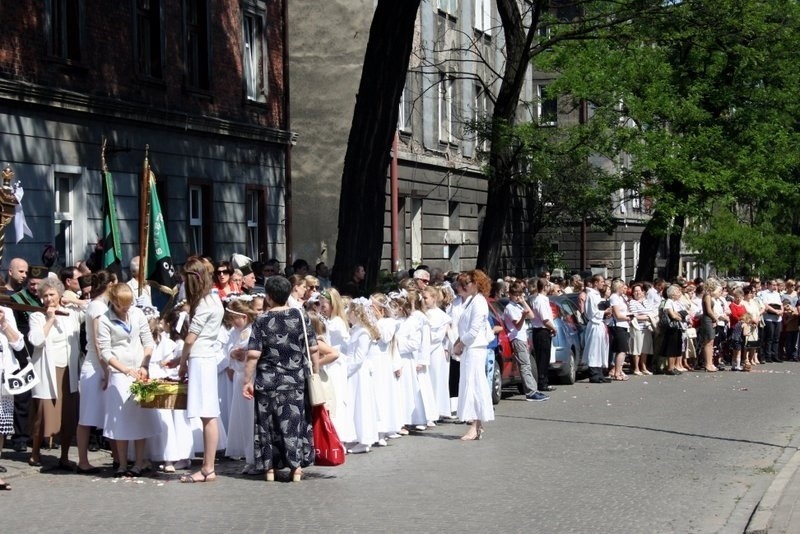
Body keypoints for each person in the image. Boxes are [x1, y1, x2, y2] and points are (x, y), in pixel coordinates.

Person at [243, 275, 316, 482]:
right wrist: (315, 374)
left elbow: (253, 355)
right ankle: (296, 469)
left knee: (267, 425)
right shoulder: (301, 316)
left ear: (268, 296)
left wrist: (246, 381)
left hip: (268, 381)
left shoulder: (262, 320)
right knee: (294, 422)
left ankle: (269, 470)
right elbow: (313, 348)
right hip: (295, 380)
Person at [98, 283, 158, 477]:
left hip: (140, 370)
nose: (126, 309)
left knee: (140, 418)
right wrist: (124, 370)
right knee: (121, 420)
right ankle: (122, 463)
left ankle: (139, 463)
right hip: (120, 373)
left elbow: (148, 341)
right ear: (114, 302)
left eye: (128, 305)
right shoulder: (105, 320)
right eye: (122, 305)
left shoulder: (137, 314)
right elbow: (106, 352)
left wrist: (144, 365)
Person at [28, 277, 84, 469]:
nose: (48, 299)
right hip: (47, 371)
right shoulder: (37, 315)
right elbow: (35, 340)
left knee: (68, 415)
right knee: (43, 414)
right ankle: (35, 453)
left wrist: (74, 300)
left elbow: (93, 307)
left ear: (59, 294)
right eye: (44, 296)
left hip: (68, 370)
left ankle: (65, 456)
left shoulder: (71, 313)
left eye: (51, 294)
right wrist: (50, 319)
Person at [178, 256, 225, 483]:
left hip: (200, 357)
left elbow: (190, 339)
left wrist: (181, 363)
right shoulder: (214, 299)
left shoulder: (205, 304)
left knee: (207, 415)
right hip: (207, 356)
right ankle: (209, 466)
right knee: (209, 414)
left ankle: (208, 467)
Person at [75, 270, 116, 474]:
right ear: (110, 285)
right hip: (95, 367)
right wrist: (106, 371)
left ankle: (118, 457)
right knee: (87, 416)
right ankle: (82, 460)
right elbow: (100, 344)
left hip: (98, 365)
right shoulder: (98, 307)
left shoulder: (98, 305)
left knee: (110, 414)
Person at [452, 270, 495, 441]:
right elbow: (464, 327)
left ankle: (475, 425)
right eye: (461, 284)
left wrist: (460, 344)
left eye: (467, 283)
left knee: (474, 385)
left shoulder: (479, 302)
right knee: (470, 384)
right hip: (470, 348)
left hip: (475, 348)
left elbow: (474, 330)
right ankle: (476, 425)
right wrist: (458, 342)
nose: (463, 287)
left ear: (477, 283)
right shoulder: (471, 301)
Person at [223, 300, 258, 474]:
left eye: (234, 318)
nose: (232, 323)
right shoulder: (235, 331)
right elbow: (227, 347)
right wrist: (232, 352)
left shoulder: (254, 329)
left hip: (252, 378)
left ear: (244, 316)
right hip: (240, 378)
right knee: (244, 419)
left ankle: (256, 457)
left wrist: (243, 352)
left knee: (253, 418)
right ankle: (249, 457)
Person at [503, 280, 547, 401]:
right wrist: (523, 316)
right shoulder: (509, 308)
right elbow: (517, 325)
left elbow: (532, 316)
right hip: (516, 338)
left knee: (527, 364)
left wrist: (523, 302)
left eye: (520, 294)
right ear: (510, 294)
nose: (518, 297)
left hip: (522, 337)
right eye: (515, 294)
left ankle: (534, 390)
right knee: (525, 366)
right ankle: (531, 392)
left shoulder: (518, 305)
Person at [0, 304, 25, 485]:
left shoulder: (6, 311)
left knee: (0, 429)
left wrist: (4, 324)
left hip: (4, 377)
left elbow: (19, 344)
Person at [529, 277, 558, 391]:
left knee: (545, 357)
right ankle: (542, 382)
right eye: (548, 285)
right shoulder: (540, 300)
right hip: (541, 331)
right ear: (545, 287)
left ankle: (544, 380)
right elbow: (544, 319)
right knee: (542, 358)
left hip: (544, 330)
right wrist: (554, 328)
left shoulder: (543, 299)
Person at [584, 275, 612, 383]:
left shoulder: (597, 295)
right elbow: (591, 312)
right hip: (595, 324)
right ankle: (594, 374)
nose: (603, 284)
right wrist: (604, 312)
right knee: (594, 349)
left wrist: (606, 314)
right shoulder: (591, 295)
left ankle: (600, 373)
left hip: (600, 323)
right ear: (595, 283)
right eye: (601, 282)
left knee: (601, 349)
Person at [606, 278, 631, 381]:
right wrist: (628, 317)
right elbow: (617, 314)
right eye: (622, 287)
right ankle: (617, 372)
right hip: (618, 325)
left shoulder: (621, 298)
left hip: (624, 325)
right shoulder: (614, 297)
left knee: (623, 350)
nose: (624, 289)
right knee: (621, 350)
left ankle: (619, 371)